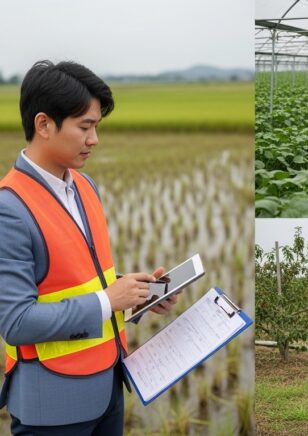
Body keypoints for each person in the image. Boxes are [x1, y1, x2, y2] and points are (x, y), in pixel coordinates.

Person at [0, 60, 177, 435]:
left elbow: (82, 277)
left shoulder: (84, 186)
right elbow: (15, 322)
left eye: (96, 126)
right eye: (85, 127)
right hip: (53, 406)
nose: (94, 139)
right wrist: (108, 300)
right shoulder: (9, 208)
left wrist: (136, 292)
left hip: (109, 385)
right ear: (44, 124)